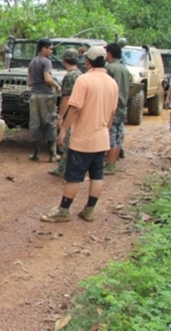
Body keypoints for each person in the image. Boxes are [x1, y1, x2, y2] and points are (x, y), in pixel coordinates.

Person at [41, 45, 118, 223]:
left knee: (74, 176)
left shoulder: (84, 80)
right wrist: (105, 129)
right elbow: (112, 113)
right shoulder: (112, 83)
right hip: (101, 137)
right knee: (97, 175)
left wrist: (64, 129)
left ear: (88, 61)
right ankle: (89, 210)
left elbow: (75, 108)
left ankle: (64, 210)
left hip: (83, 138)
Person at [48, 48, 82, 177]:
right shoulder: (80, 74)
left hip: (70, 113)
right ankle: (63, 166)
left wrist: (61, 117)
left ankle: (65, 169)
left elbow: (67, 98)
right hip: (79, 112)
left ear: (64, 60)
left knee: (67, 141)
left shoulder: (69, 76)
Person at [27, 38, 61, 162]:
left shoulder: (32, 62)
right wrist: (56, 85)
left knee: (35, 123)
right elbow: (47, 79)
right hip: (46, 95)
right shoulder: (46, 62)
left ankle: (36, 154)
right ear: (43, 49)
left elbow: (29, 82)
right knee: (50, 122)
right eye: (50, 48)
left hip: (34, 95)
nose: (52, 51)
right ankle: (52, 154)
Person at [103, 43, 131, 175]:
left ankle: (110, 164)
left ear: (109, 53)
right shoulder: (124, 69)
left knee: (111, 136)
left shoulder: (110, 68)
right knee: (118, 134)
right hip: (122, 106)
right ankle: (114, 160)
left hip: (112, 107)